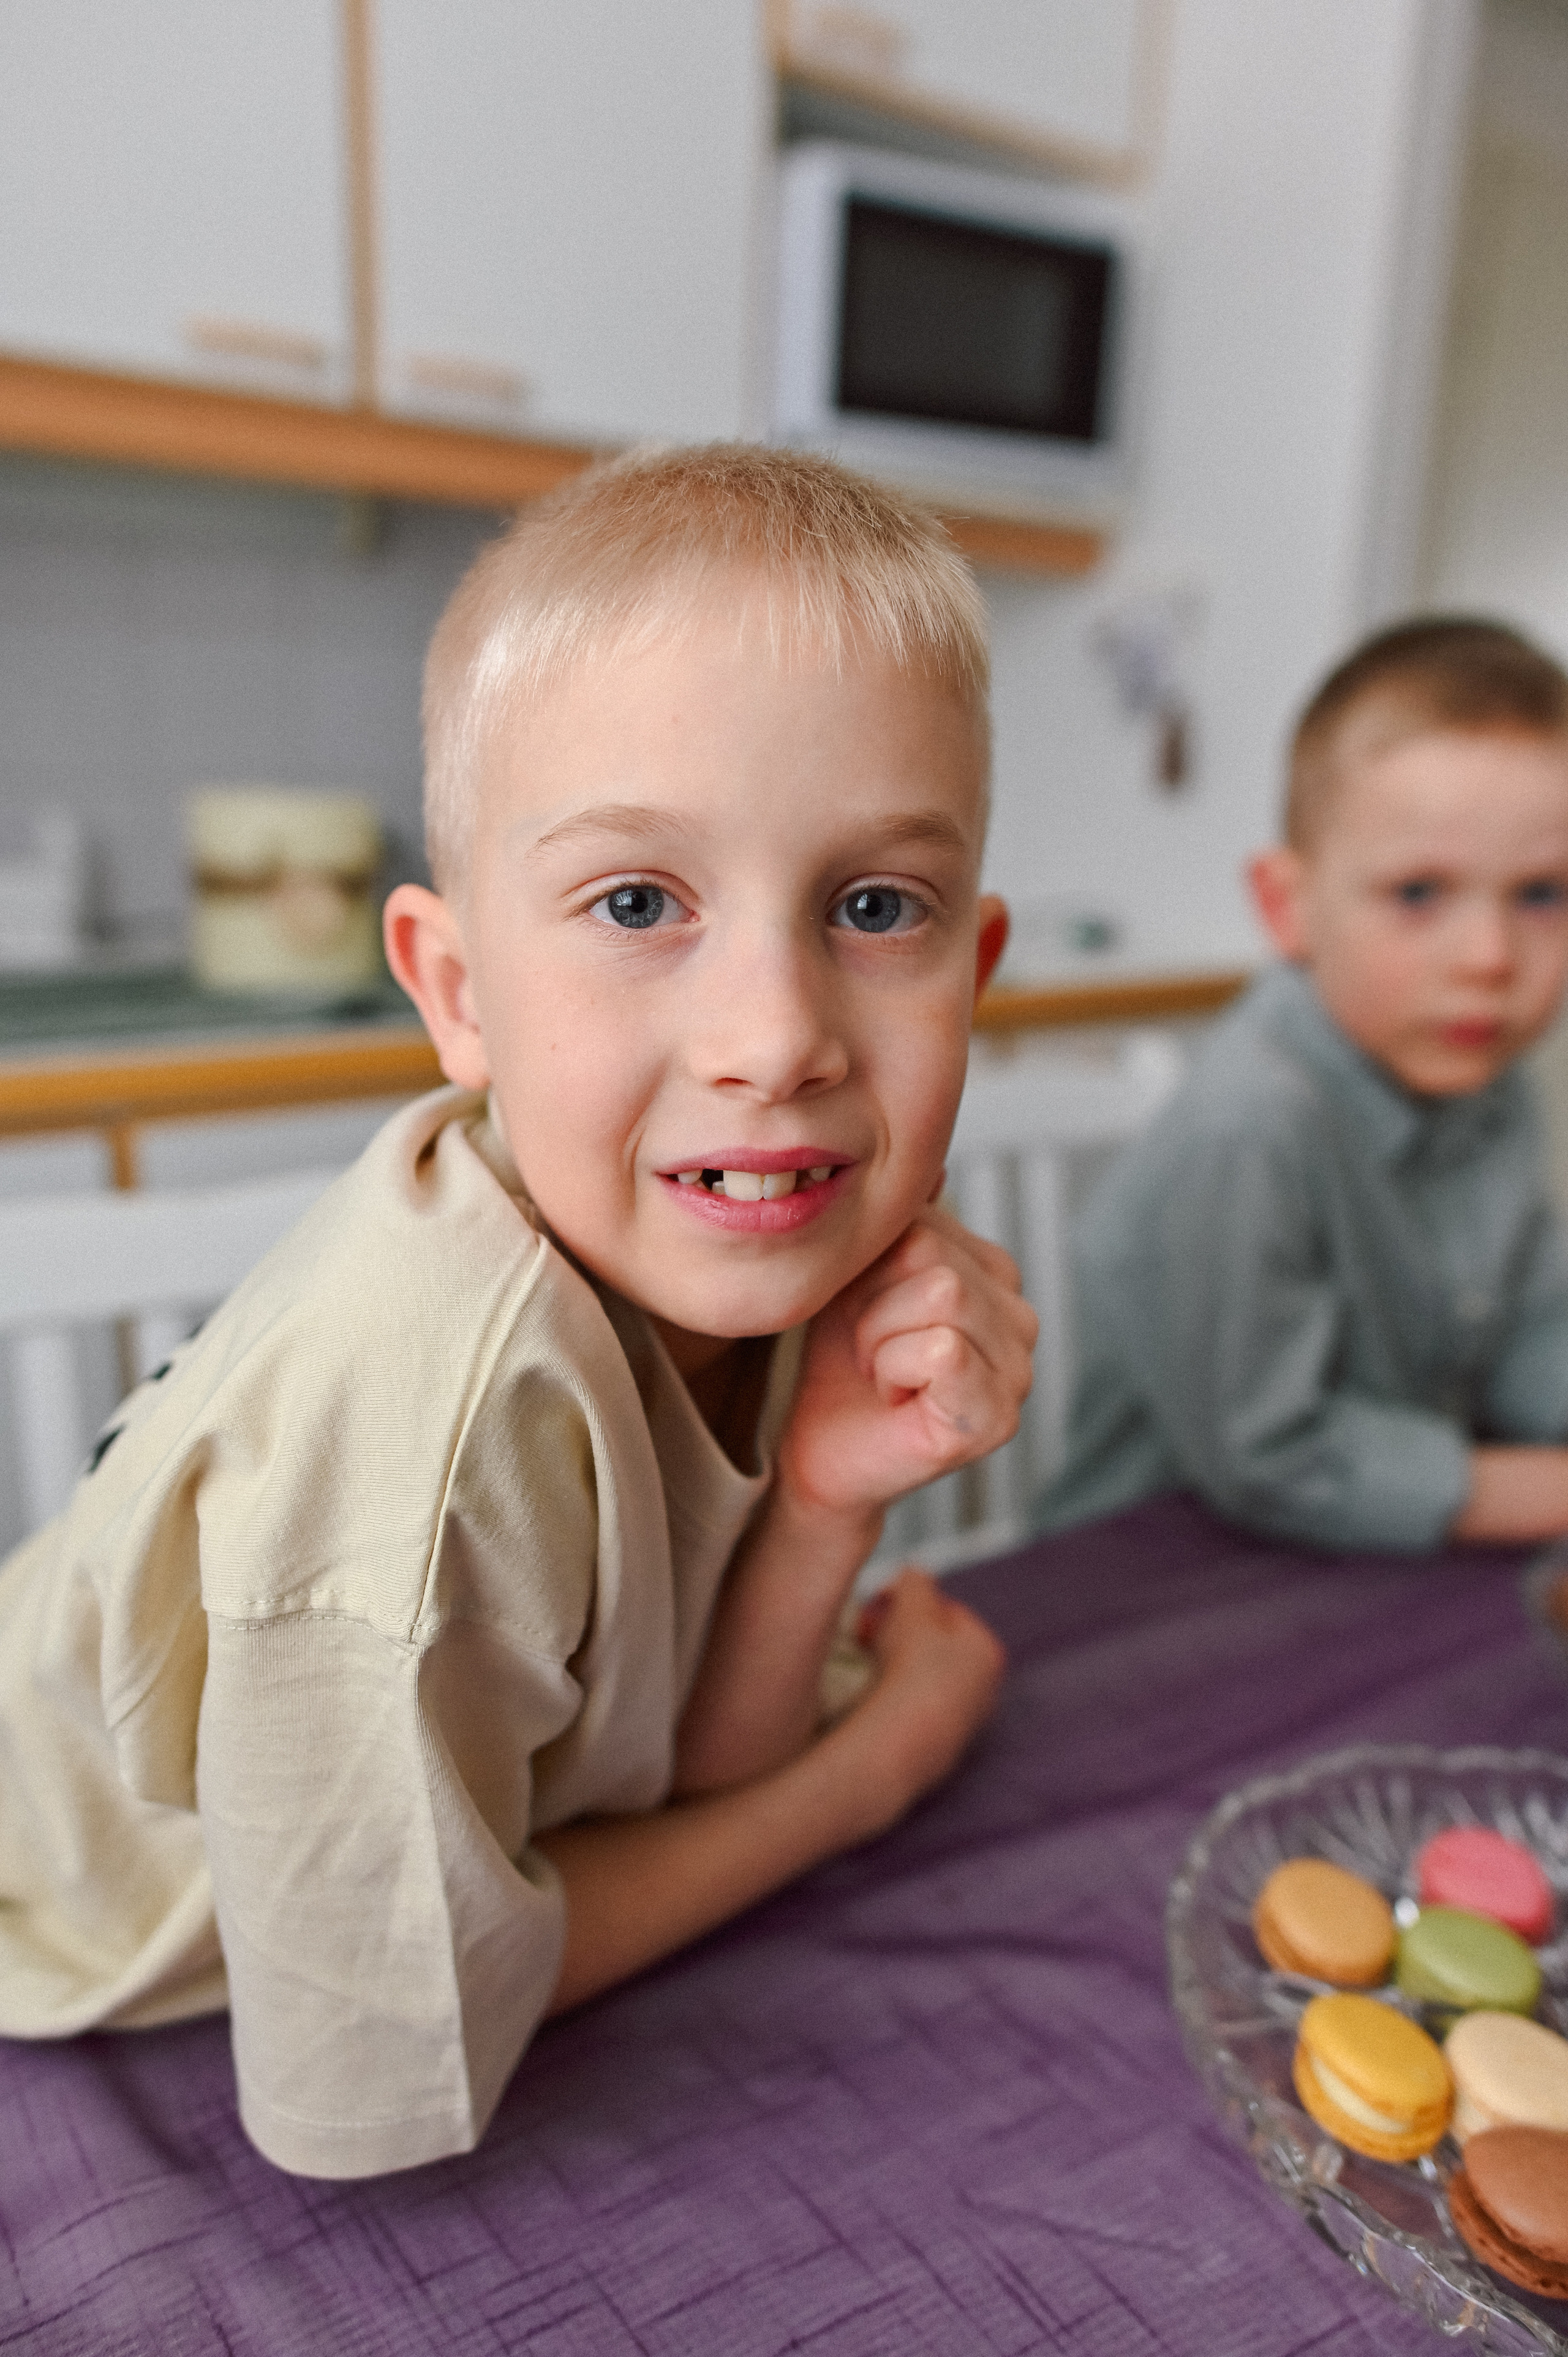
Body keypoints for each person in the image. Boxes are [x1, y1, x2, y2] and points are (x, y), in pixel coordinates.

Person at [0, 447, 1036, 2179]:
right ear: (459, 993)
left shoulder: (739, 1222)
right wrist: (867, 1780)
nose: (773, 1036)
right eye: (640, 903)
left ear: (972, 973)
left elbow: (662, 1773)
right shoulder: (414, 1440)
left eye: (873, 908)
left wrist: (826, 1500)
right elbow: (374, 2068)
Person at [1034, 615, 1568, 1553]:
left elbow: (1530, 1335)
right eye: (1418, 894)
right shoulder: (1250, 1125)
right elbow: (1269, 1457)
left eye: (1542, 895)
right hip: (1155, 1577)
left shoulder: (1492, 1087)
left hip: (1367, 1564)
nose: (1490, 958)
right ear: (1289, 908)